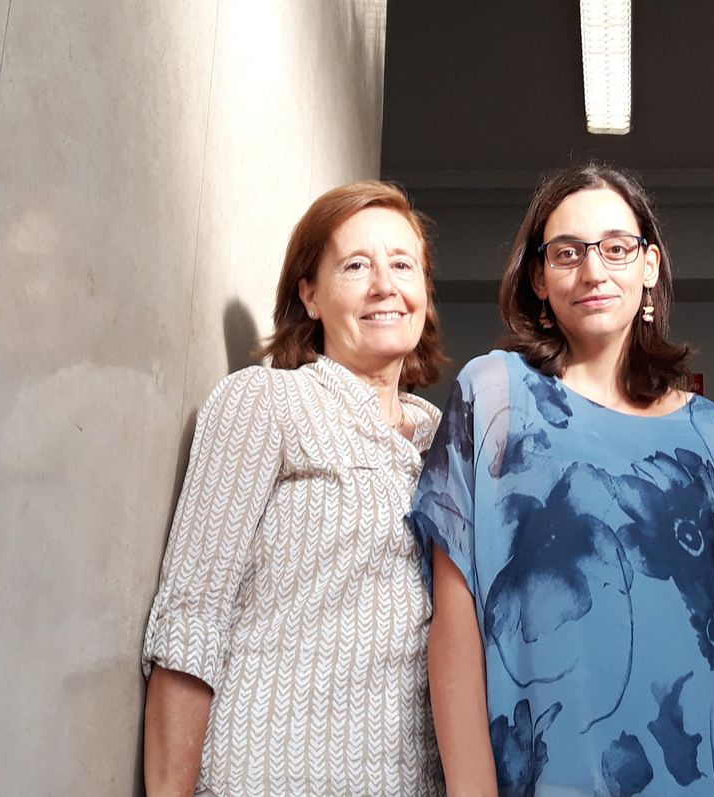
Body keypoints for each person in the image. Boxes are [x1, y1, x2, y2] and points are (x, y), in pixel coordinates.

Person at [408, 162, 714, 797]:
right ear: (539, 278)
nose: (594, 271)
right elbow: (455, 621)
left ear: (649, 266)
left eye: (616, 248)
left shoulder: (713, 435)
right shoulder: (495, 395)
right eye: (568, 252)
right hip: (548, 771)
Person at [141, 180, 448, 796]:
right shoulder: (266, 401)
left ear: (424, 292)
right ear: (310, 294)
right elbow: (191, 617)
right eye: (355, 265)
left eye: (402, 264)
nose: (384, 285)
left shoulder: (443, 442)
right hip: (269, 776)